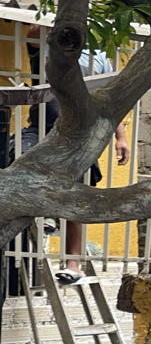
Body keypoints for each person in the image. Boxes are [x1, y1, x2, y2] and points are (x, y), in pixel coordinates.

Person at [22, 26, 130, 284]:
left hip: (80, 136)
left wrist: (121, 137)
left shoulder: (100, 57)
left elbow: (109, 99)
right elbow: (32, 35)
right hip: (41, 129)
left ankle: (73, 264)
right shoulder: (51, 47)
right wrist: (58, 16)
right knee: (24, 157)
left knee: (75, 198)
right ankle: (48, 215)